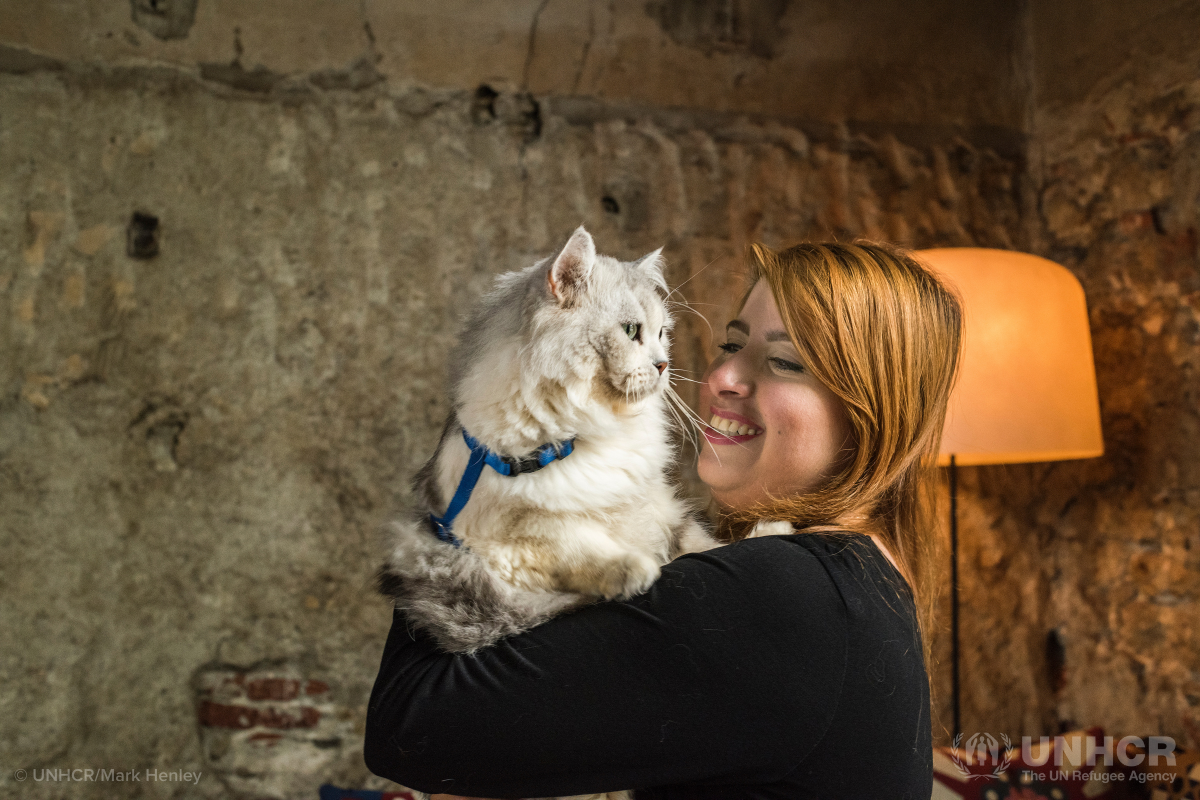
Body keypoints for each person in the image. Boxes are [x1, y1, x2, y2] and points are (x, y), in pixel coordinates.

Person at [363, 241, 962, 799]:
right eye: (731, 346)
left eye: (783, 362)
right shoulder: (861, 580)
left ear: (869, 415)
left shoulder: (783, 594)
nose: (721, 378)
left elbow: (411, 725)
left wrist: (465, 476)